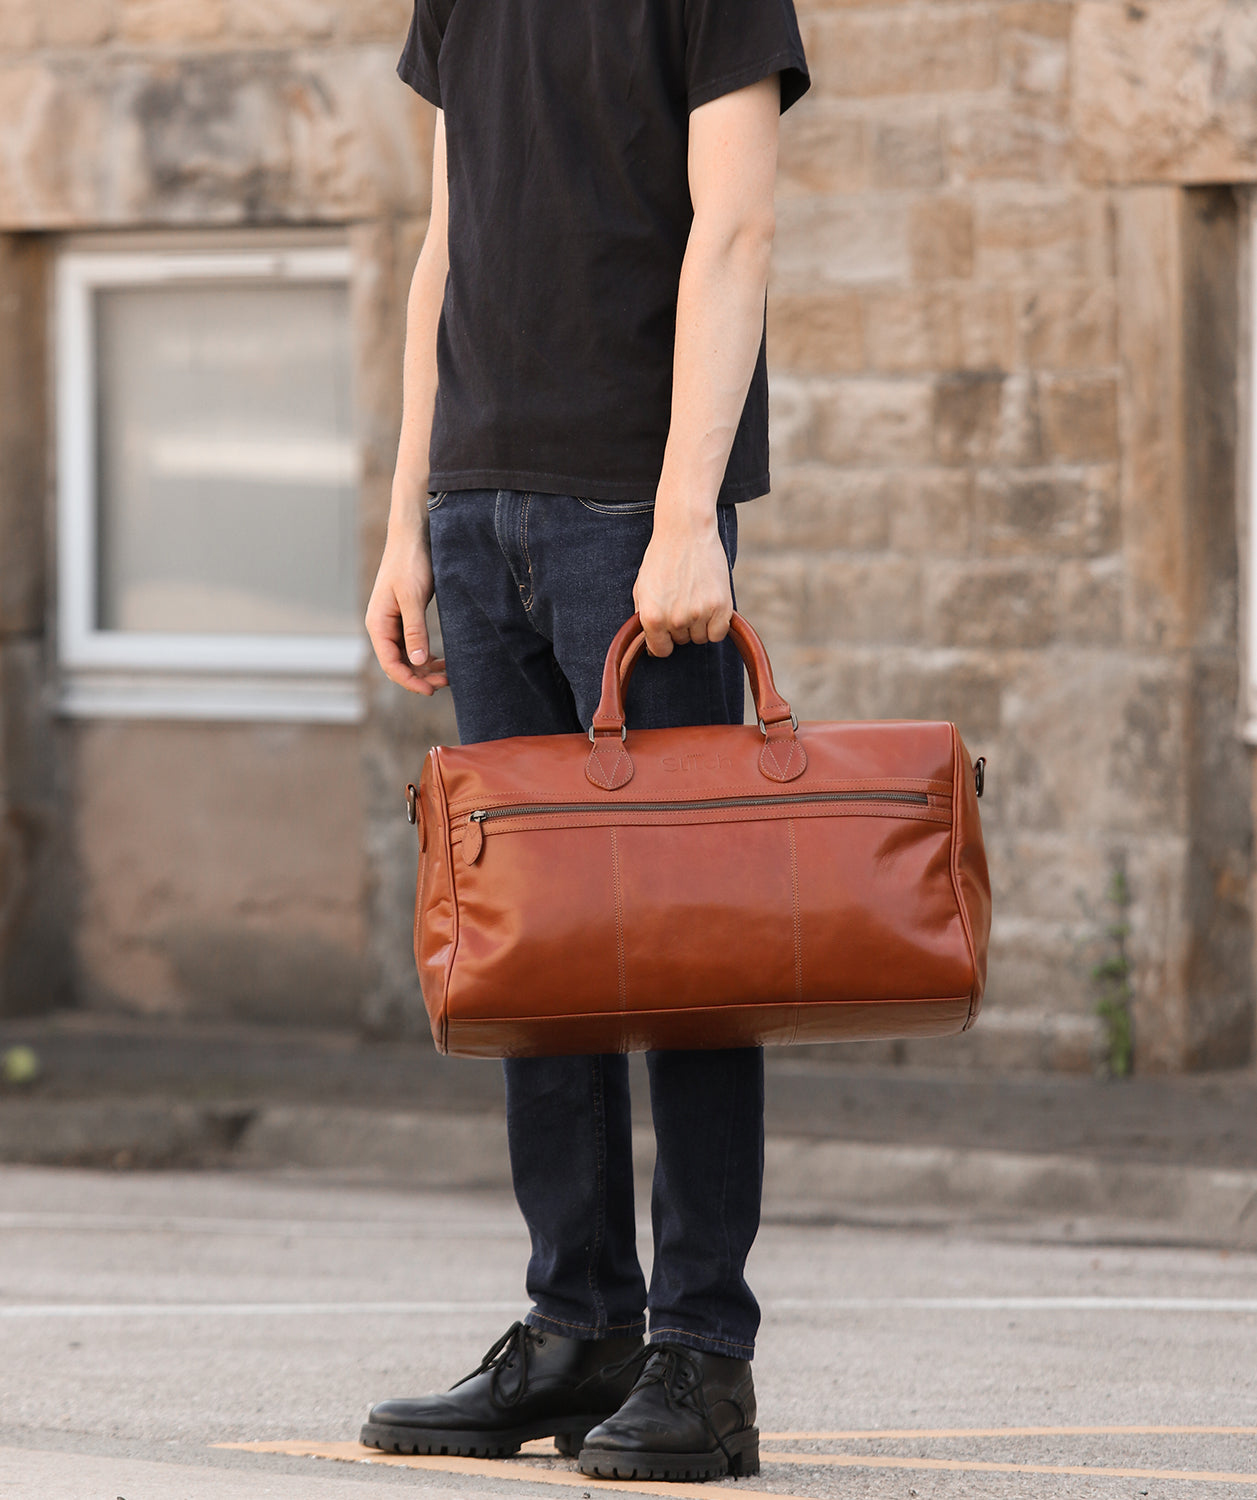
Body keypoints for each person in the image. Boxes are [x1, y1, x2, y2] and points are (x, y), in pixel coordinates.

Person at [360, 0, 809, 1483]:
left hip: (628, 513)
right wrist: (411, 518)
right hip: (476, 506)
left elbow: (734, 229)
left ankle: (704, 1357)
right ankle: (579, 1329)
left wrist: (688, 515)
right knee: (537, 952)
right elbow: (446, 245)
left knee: (687, 950)